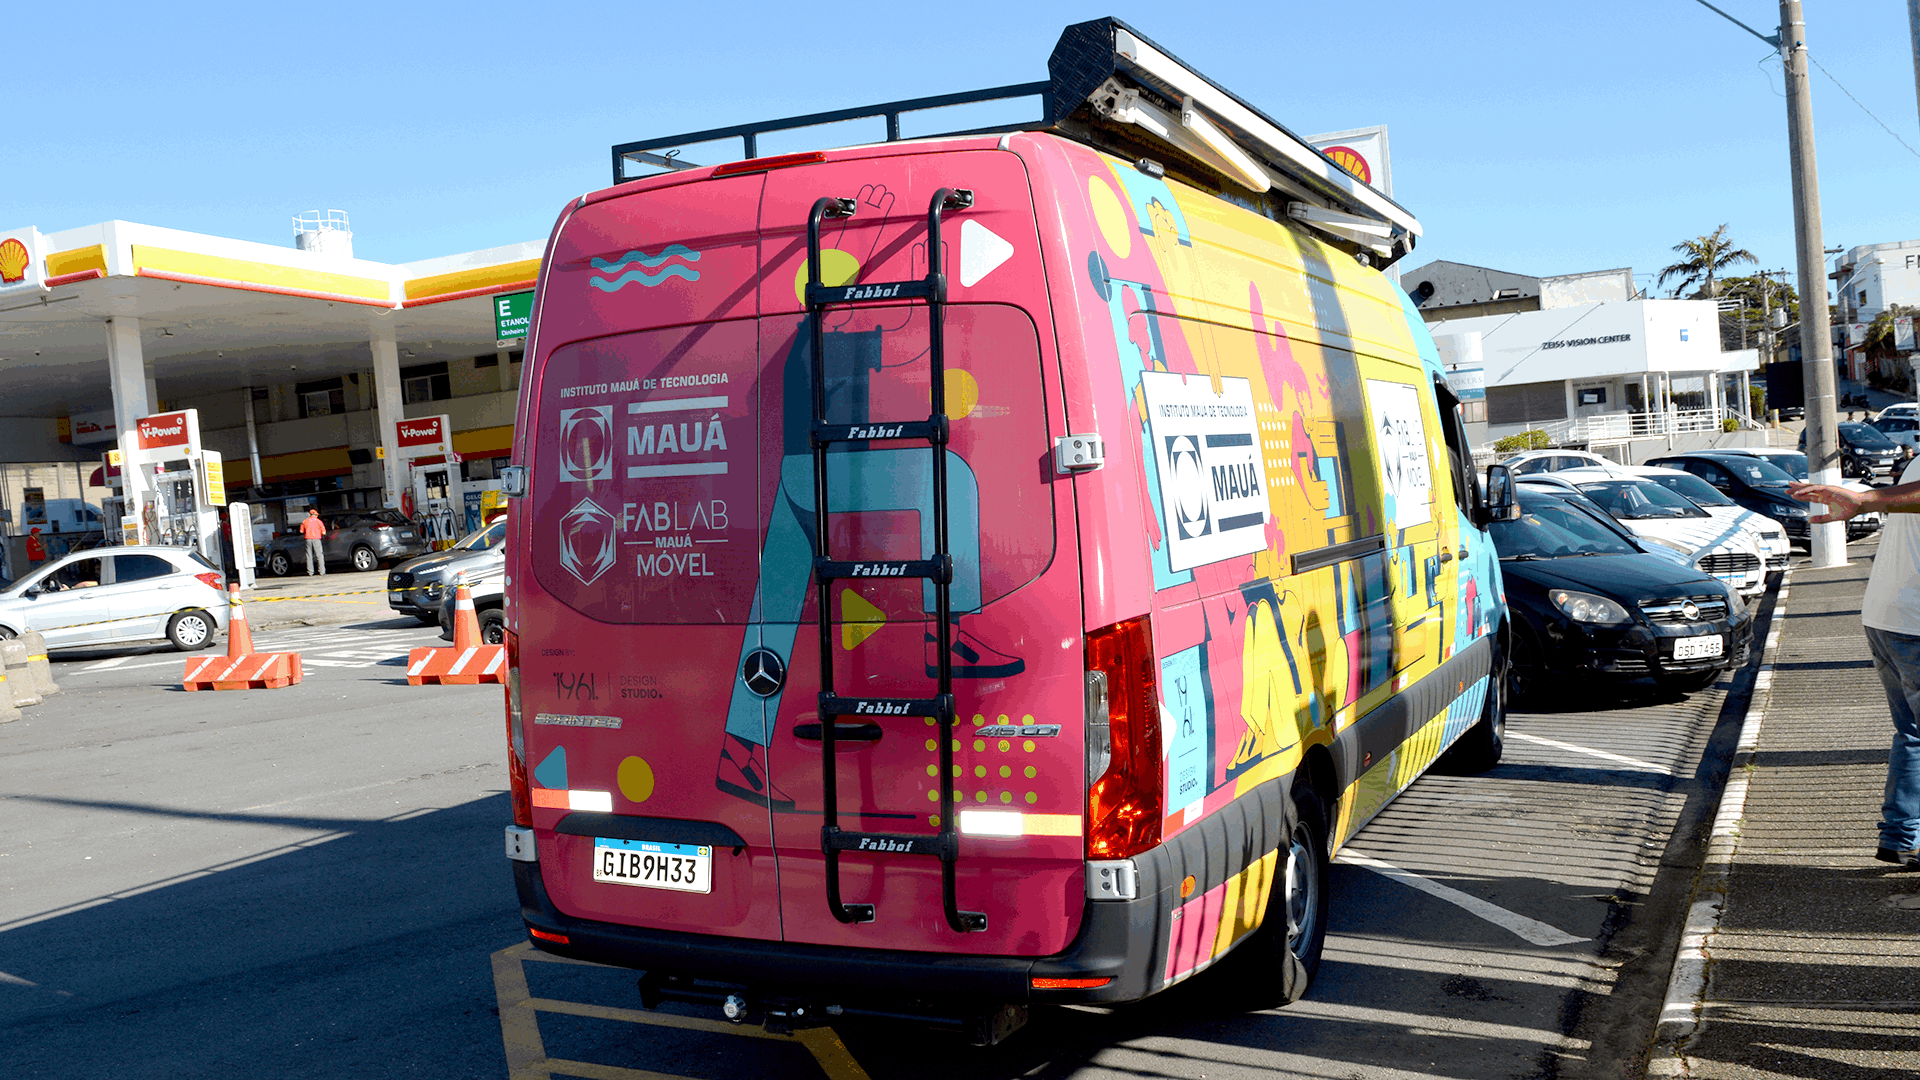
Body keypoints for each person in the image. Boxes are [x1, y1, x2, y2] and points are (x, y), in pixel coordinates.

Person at [1790, 467, 1920, 869]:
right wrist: (1864, 500)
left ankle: (1901, 836)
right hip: (1914, 624)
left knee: (1913, 734)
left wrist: (1866, 498)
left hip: (1886, 616)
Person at [300, 509, 328, 576]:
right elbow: (324, 532)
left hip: (308, 539)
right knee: (319, 555)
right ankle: (321, 571)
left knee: (309, 556)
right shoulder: (319, 522)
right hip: (316, 539)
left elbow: (301, 531)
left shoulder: (305, 521)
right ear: (315, 515)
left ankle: (310, 572)